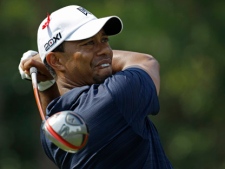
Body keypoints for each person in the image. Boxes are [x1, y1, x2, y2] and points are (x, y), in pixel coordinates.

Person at [19, 5, 173, 169]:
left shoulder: (52, 132)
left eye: (104, 40)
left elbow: (54, 109)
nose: (105, 50)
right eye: (89, 43)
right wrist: (43, 65)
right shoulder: (114, 97)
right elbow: (146, 62)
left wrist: (45, 81)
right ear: (56, 61)